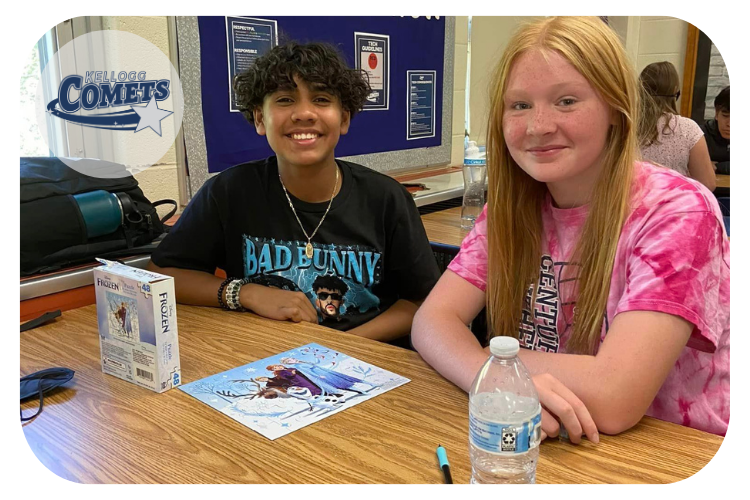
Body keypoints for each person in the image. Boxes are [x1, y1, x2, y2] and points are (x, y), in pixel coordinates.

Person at [412, 17, 729, 440]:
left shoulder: (677, 211)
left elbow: (616, 397)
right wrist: (490, 375)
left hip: (669, 451)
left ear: (616, 110)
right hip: (555, 440)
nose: (538, 126)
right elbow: (432, 320)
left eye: (566, 101)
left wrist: (498, 357)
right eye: (519, 105)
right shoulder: (512, 207)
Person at [148, 42, 440, 342]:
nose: (304, 113)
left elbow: (420, 302)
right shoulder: (229, 191)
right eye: (285, 99)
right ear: (260, 119)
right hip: (263, 357)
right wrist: (245, 293)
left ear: (344, 119)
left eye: (322, 99)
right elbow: (164, 273)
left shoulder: (385, 199)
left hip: (364, 360)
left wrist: (343, 346)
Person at [638, 61, 715, 191]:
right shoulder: (688, 129)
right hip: (675, 207)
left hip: (630, 205)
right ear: (675, 91)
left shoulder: (623, 125)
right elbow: (708, 183)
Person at [701, 86, 730, 173]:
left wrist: (717, 166)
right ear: (717, 114)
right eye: (725, 116)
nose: (729, 124)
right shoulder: (699, 135)